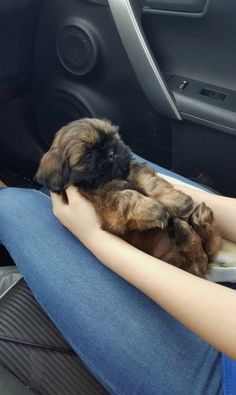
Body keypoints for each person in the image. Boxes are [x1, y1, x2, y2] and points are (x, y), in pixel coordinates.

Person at [0, 156, 235, 395]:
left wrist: (93, 236)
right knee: (103, 161)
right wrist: (163, 191)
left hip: (222, 373)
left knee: (11, 205)